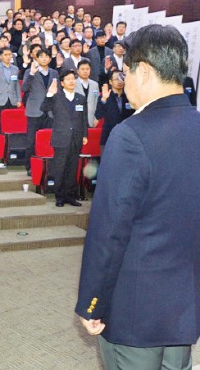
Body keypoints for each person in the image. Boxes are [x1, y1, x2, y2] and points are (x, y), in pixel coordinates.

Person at [76, 24, 200, 369]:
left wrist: (92, 303)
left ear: (144, 71)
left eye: (126, 71)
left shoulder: (130, 135)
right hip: (185, 310)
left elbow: (109, 231)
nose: (123, 80)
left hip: (134, 312)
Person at [41, 69, 88, 207]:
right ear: (62, 83)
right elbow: (43, 107)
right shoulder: (56, 97)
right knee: (60, 168)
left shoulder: (81, 98)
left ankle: (70, 196)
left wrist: (85, 134)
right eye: (68, 79)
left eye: (73, 78)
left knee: (72, 168)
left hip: (76, 138)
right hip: (61, 138)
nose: (72, 81)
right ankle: (60, 197)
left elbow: (83, 119)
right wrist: (49, 93)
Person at [21, 49, 57, 175]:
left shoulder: (54, 73)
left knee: (48, 140)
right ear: (36, 59)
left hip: (51, 111)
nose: (44, 59)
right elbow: (24, 88)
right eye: (41, 57)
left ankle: (47, 167)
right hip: (34, 110)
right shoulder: (29, 72)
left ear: (50, 59)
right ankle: (29, 166)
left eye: (46, 56)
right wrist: (31, 74)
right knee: (31, 141)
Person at [94, 70, 134, 154]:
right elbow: (98, 115)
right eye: (116, 79)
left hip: (126, 138)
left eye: (121, 78)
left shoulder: (130, 96)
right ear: (110, 82)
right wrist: (104, 99)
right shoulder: (104, 96)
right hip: (108, 137)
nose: (119, 81)